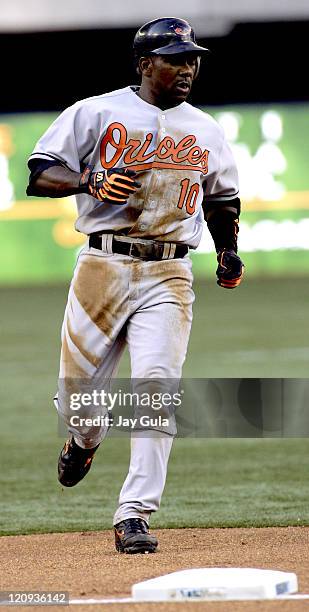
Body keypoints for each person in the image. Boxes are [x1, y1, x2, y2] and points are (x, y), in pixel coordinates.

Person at [26, 17, 244, 554]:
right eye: (176, 58)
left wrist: (227, 250)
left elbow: (221, 198)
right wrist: (86, 180)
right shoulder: (96, 111)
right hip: (102, 266)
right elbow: (38, 174)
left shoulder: (205, 128)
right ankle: (84, 440)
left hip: (170, 272)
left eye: (192, 59)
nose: (188, 68)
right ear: (146, 64)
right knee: (79, 406)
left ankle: (134, 514)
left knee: (156, 390)